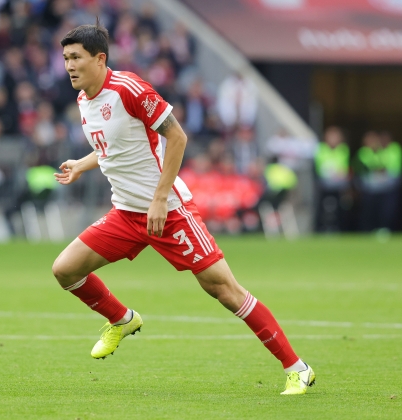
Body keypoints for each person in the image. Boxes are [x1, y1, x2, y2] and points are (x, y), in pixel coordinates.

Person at [51, 22, 315, 395]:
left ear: (100, 58)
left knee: (225, 290)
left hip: (169, 210)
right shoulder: (84, 100)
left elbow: (176, 136)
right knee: (65, 270)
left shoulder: (129, 89)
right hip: (126, 213)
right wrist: (82, 163)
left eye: (76, 57)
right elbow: (116, 146)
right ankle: (121, 319)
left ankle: (297, 367)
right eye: (65, 58)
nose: (69, 65)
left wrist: (159, 199)